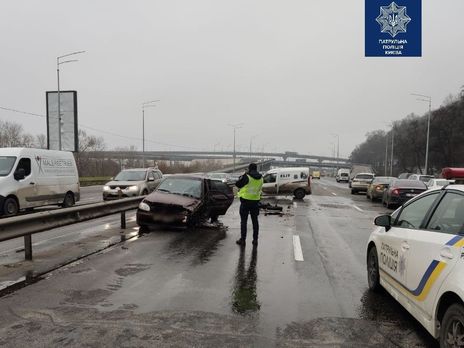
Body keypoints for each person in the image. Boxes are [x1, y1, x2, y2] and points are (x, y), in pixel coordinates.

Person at [235, 163, 263, 246]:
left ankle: (243, 240)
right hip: (255, 202)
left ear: (249, 169)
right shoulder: (261, 178)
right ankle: (255, 240)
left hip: (245, 202)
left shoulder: (247, 176)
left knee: (244, 221)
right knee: (255, 221)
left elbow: (238, 184)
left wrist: (243, 174)